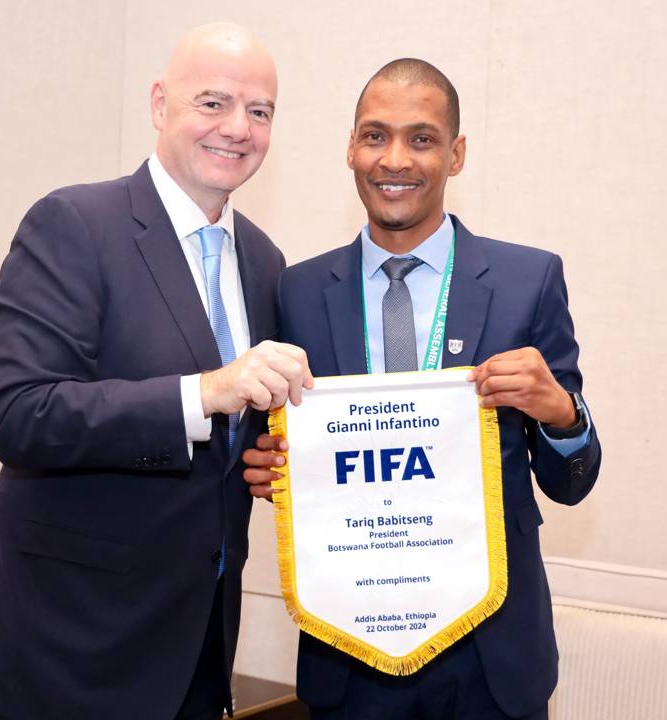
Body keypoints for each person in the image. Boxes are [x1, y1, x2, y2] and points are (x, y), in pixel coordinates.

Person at [0, 22, 313, 720]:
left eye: (259, 110)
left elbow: (234, 452)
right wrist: (204, 393)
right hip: (68, 650)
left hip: (200, 651)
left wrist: (270, 463)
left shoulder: (266, 263)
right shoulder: (74, 224)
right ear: (158, 105)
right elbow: (21, 415)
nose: (237, 127)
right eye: (213, 102)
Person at [243, 59, 601, 720]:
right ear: (350, 147)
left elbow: (572, 480)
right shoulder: (295, 292)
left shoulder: (529, 280)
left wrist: (559, 411)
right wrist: (263, 467)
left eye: (422, 138)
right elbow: (269, 446)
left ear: (456, 154)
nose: (394, 160)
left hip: (492, 657)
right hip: (350, 655)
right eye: (375, 136)